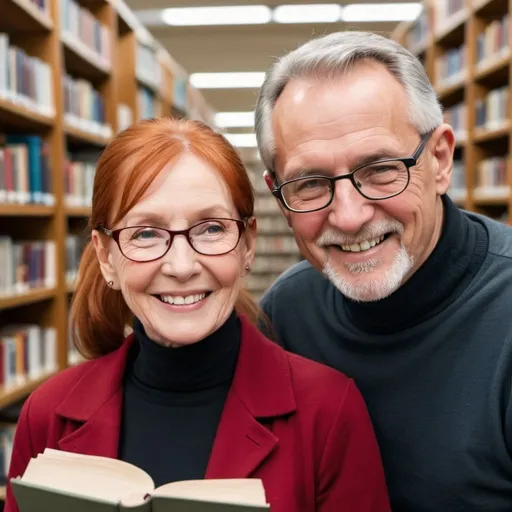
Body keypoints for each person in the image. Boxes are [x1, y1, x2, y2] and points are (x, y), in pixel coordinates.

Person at [4, 118, 390, 512]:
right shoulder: (47, 415)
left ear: (248, 245)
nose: (182, 265)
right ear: (106, 257)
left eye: (210, 229)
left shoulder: (329, 411)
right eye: (145, 233)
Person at [254, 30, 512, 512]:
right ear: (276, 194)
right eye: (310, 183)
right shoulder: (286, 314)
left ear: (439, 160)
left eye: (380, 169)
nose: (349, 216)